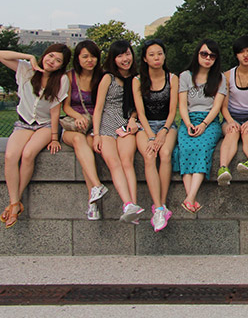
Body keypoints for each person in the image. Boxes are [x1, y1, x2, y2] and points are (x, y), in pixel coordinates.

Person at [1, 45, 70, 228]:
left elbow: (56, 111)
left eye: (58, 61)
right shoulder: (26, 70)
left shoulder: (61, 79)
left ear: (61, 66)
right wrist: (29, 56)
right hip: (24, 123)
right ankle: (15, 201)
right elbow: (2, 55)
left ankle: (15, 203)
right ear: (45, 55)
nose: (52, 62)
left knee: (29, 154)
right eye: (51, 56)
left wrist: (55, 137)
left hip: (46, 125)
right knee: (10, 156)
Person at [92, 40, 144, 223]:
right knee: (113, 162)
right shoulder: (108, 78)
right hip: (106, 123)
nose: (125, 59)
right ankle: (128, 203)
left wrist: (133, 119)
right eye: (120, 55)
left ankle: (134, 207)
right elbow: (98, 108)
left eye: (127, 54)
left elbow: (139, 104)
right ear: (113, 59)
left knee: (127, 161)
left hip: (126, 123)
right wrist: (96, 134)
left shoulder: (137, 78)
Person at [173, 39, 227, 213]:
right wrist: (188, 124)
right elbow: (182, 104)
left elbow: (217, 107)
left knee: (203, 148)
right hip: (189, 119)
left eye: (212, 55)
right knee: (185, 148)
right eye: (204, 54)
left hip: (209, 121)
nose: (207, 58)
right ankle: (191, 199)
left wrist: (204, 125)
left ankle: (189, 198)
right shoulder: (186, 76)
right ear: (197, 55)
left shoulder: (220, 78)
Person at [132, 39, 179, 231]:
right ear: (144, 58)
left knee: (166, 154)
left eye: (159, 53)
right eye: (151, 55)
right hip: (146, 126)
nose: (156, 58)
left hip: (167, 125)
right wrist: (152, 136)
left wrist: (164, 132)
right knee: (150, 155)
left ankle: (162, 204)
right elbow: (141, 113)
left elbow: (172, 111)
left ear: (164, 55)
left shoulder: (172, 78)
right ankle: (158, 207)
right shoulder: (137, 81)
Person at [60, 40, 108, 221]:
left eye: (93, 56)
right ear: (78, 58)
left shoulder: (103, 77)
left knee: (89, 144)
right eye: (85, 56)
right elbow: (66, 106)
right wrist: (79, 117)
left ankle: (93, 204)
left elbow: (102, 106)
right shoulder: (69, 77)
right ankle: (96, 186)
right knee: (80, 141)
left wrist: (93, 127)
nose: (90, 60)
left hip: (94, 124)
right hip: (73, 124)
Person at [217, 36, 248, 184]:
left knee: (247, 131)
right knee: (232, 132)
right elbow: (223, 106)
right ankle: (223, 168)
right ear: (236, 55)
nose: (245, 55)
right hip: (231, 117)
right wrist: (231, 121)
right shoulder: (227, 75)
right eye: (241, 52)